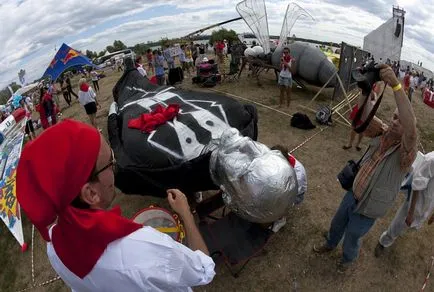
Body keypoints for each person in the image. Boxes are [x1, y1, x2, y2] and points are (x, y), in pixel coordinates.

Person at [16, 120, 215, 292]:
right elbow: (204, 270)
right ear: (91, 194)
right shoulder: (146, 249)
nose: (115, 166)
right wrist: (186, 212)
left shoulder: (55, 246)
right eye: (110, 162)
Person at [313, 64, 417, 273]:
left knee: (352, 236)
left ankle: (347, 259)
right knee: (337, 223)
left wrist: (396, 86)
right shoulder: (383, 132)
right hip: (354, 192)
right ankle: (331, 243)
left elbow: (411, 125)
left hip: (370, 205)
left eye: (399, 119)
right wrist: (366, 88)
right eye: (394, 117)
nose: (395, 121)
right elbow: (363, 115)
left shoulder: (407, 153)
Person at [375, 152, 434, 257]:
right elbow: (417, 185)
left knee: (411, 224)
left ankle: (399, 231)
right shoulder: (431, 160)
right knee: (400, 222)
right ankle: (384, 241)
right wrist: (410, 212)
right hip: (417, 201)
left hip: (429, 203)